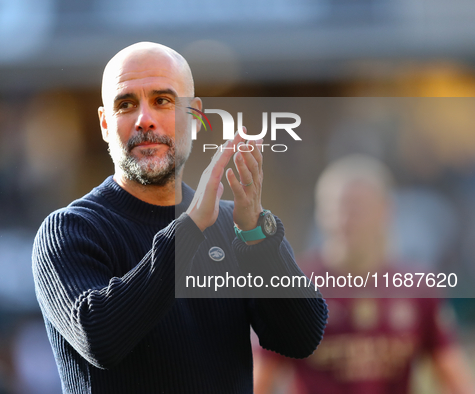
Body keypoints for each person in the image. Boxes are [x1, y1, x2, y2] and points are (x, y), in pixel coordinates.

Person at [32, 41, 328, 394]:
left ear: (196, 117)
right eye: (126, 104)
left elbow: (301, 338)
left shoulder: (238, 228)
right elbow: (100, 338)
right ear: (105, 124)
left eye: (163, 101)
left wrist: (256, 237)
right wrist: (190, 229)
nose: (145, 119)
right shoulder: (69, 231)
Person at [253, 155, 475, 394]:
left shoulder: (418, 286)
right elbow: (259, 378)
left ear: (386, 210)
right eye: (336, 208)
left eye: (356, 208)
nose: (345, 220)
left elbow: (454, 377)